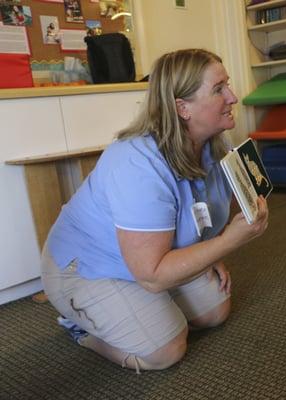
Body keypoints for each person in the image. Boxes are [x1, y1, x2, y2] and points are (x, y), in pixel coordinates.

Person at [40, 49, 269, 373]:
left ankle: (138, 312)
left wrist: (211, 250)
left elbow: (200, 211)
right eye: (218, 89)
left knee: (214, 311)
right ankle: (82, 329)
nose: (233, 97)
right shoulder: (137, 164)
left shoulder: (213, 143)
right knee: (166, 349)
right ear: (182, 107)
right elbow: (152, 275)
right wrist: (227, 243)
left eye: (227, 85)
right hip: (87, 266)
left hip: (146, 257)